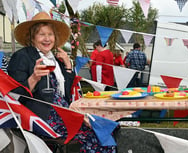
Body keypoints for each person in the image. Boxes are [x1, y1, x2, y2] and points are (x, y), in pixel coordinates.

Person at [7, 12, 116, 153]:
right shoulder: (22, 56)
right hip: (41, 118)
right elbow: (13, 95)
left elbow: (66, 92)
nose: (47, 39)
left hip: (65, 112)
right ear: (32, 37)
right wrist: (33, 78)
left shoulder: (54, 60)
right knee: (94, 136)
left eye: (50, 34)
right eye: (41, 34)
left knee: (106, 130)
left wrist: (68, 67)